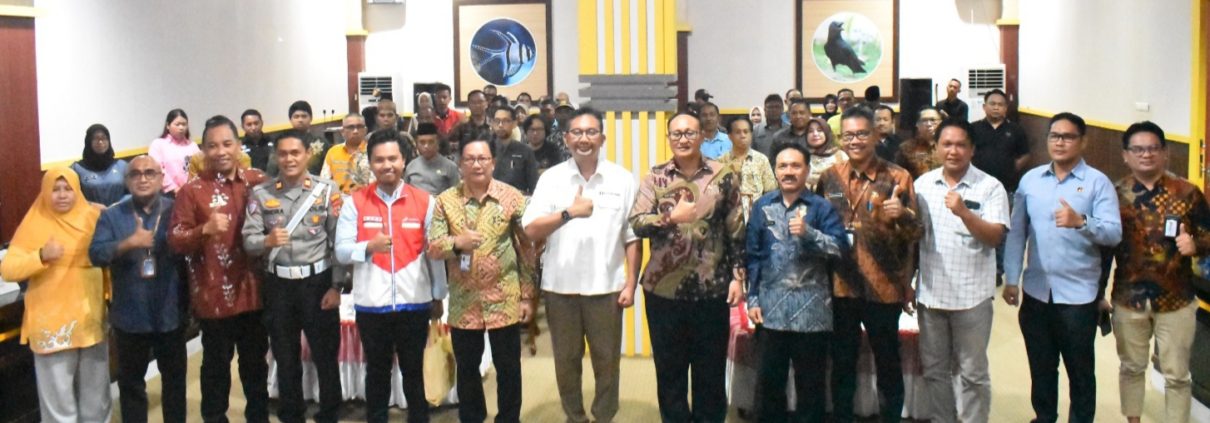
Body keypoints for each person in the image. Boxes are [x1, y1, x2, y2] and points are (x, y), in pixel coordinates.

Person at [522, 107, 641, 423]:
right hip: (560, 288)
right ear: (566, 138)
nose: (584, 139)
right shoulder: (551, 179)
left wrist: (631, 283)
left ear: (602, 137)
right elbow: (530, 229)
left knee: (607, 361)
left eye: (591, 132)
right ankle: (574, 416)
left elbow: (632, 237)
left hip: (607, 288)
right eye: (577, 132)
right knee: (566, 361)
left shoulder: (622, 178)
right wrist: (568, 213)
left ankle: (604, 415)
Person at [1003, 112, 1122, 423]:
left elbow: (1113, 233)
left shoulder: (1097, 183)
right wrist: (1012, 278)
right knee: (1041, 368)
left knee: (1080, 372)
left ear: (1083, 141)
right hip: (1036, 292)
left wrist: (1082, 222)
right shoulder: (1030, 181)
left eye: (1068, 136)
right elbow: (1016, 233)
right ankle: (1044, 417)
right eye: (1054, 135)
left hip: (1078, 297)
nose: (1060, 142)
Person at [628, 112, 745, 422]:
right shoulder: (655, 178)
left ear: (701, 136)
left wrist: (738, 277)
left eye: (690, 133)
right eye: (676, 133)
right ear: (668, 138)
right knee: (670, 371)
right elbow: (637, 222)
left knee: (710, 371)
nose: (683, 139)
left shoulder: (724, 175)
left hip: (712, 289)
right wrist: (670, 218)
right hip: (663, 291)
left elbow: (736, 229)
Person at [815, 107, 922, 423]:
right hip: (840, 286)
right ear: (840, 138)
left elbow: (915, 235)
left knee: (887, 362)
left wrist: (901, 215)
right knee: (842, 362)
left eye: (862, 134)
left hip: (884, 287)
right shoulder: (829, 178)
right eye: (848, 135)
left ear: (875, 135)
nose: (855, 141)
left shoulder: (898, 177)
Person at [336, 128, 447, 423]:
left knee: (413, 371)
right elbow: (342, 252)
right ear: (370, 163)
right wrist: (368, 247)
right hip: (371, 305)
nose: (387, 165)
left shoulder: (425, 202)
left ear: (404, 160)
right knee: (377, 371)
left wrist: (438, 294)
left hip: (415, 303)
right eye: (379, 160)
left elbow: (435, 253)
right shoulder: (355, 202)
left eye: (393, 159)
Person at [168, 115, 271, 422]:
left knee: (256, 366)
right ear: (203, 150)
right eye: (213, 146)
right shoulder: (191, 191)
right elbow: (175, 240)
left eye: (227, 143)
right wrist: (204, 230)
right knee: (215, 369)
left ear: (238, 146)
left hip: (255, 291)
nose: (221, 151)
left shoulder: (258, 181)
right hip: (213, 296)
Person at [428, 139, 536, 423]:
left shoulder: (512, 197)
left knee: (508, 368)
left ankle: (509, 419)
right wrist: (457, 243)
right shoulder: (445, 201)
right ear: (460, 164)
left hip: (505, 298)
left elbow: (527, 248)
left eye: (483, 159)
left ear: (493, 163)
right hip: (464, 302)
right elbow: (434, 247)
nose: (477, 164)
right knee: (467, 369)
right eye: (470, 159)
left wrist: (527, 295)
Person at [242, 130, 345, 423]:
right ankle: (291, 414)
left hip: (318, 283)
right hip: (279, 286)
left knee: (325, 355)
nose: (289, 159)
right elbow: (248, 240)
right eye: (283, 154)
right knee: (285, 357)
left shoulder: (326, 190)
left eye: (295, 153)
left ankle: (330, 413)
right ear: (276, 156)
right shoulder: (261, 193)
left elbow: (338, 241)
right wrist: (266, 241)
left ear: (307, 155)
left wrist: (337, 286)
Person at [1106, 121, 1206, 423]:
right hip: (1129, 298)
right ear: (1126, 155)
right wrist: (1098, 294)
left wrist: (1196, 244)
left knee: (1177, 375)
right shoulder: (1114, 194)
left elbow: (1209, 235)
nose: (1146, 154)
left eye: (1153, 148)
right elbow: (1102, 248)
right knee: (1131, 368)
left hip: (1177, 299)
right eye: (1138, 149)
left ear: (1165, 152)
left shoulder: (1187, 192)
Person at [913, 119, 1009, 423]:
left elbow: (995, 237)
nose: (953, 151)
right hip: (931, 294)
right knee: (934, 371)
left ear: (972, 149)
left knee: (972, 374)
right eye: (946, 144)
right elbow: (915, 238)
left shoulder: (990, 187)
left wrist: (965, 212)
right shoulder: (922, 185)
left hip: (972, 297)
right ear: (936, 148)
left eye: (960, 145)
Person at [746, 142, 847, 422]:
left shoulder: (821, 207)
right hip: (771, 312)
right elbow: (753, 256)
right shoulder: (762, 206)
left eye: (795, 165)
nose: (788, 171)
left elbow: (841, 249)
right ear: (775, 170)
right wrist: (752, 298)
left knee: (811, 389)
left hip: (812, 315)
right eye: (782, 166)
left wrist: (809, 234)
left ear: (807, 170)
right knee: (769, 388)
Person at [1, 168, 110, 422]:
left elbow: (112, 254)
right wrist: (41, 255)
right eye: (55, 189)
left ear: (77, 191)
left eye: (68, 189)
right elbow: (8, 269)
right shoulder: (36, 222)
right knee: (59, 407)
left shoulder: (93, 218)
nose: (62, 195)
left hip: (90, 320)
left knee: (96, 400)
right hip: (52, 326)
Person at [89, 155, 187, 423]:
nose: (143, 179)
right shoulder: (112, 215)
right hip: (130, 316)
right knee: (131, 384)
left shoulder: (176, 210)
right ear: (127, 180)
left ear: (161, 178)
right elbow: (95, 254)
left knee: (175, 382)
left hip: (170, 313)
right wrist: (128, 243)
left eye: (149, 173)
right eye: (135, 174)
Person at [970, 89, 1030, 285]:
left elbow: (1025, 154)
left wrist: (1012, 168)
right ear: (984, 107)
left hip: (1007, 189)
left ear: (1006, 108)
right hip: (977, 189)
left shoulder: (1016, 130)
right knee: (978, 226)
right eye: (992, 104)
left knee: (1002, 230)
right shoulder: (974, 129)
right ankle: (978, 266)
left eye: (1000, 104)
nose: (996, 107)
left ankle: (997, 269)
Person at [720, 116, 776, 217]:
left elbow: (771, 191)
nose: (743, 136)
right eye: (738, 132)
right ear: (729, 136)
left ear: (751, 134)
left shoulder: (761, 160)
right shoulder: (721, 162)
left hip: (757, 214)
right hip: (728, 216)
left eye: (746, 132)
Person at [72, 123, 129, 206]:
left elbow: (133, 192)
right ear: (88, 141)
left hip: (120, 212)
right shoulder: (78, 169)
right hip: (90, 213)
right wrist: (91, 205)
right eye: (96, 138)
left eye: (104, 138)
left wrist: (120, 204)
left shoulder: (122, 166)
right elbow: (73, 197)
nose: (100, 142)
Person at [490, 106, 540, 195]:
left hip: (518, 199)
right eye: (497, 121)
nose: (500, 125)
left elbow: (534, 186)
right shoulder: (485, 149)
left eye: (505, 121)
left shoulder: (525, 151)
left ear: (514, 124)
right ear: (492, 123)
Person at [322, 114, 375, 194]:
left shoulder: (373, 152)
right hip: (336, 198)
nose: (355, 131)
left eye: (359, 127)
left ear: (365, 130)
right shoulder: (333, 152)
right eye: (351, 127)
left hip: (365, 198)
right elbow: (324, 182)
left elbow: (375, 184)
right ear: (342, 132)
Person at [148, 108, 197, 195]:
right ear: (168, 125)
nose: (181, 128)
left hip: (192, 192)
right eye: (177, 124)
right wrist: (175, 189)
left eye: (184, 124)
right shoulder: (158, 144)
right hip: (168, 195)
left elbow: (200, 168)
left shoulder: (192, 145)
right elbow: (157, 170)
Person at [404, 123, 461, 196]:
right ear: (417, 144)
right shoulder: (411, 166)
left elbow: (457, 194)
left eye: (431, 142)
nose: (426, 146)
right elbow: (405, 193)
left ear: (437, 142)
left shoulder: (450, 167)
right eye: (422, 142)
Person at [896, 106, 944, 179]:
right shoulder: (906, 148)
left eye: (933, 120)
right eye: (924, 120)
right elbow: (899, 175)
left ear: (941, 122)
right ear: (917, 124)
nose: (929, 124)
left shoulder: (949, 146)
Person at [804, 117, 848, 191]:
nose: (815, 134)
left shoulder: (840, 156)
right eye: (810, 131)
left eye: (819, 130)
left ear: (826, 133)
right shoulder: (802, 157)